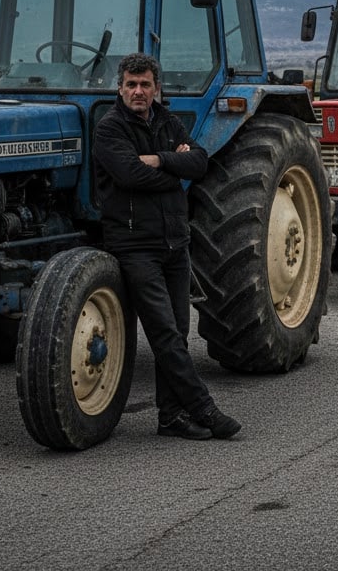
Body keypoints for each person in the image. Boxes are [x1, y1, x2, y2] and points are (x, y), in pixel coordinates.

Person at [94, 53, 242, 441]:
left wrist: (159, 161)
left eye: (145, 85)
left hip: (176, 242)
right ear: (120, 88)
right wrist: (172, 170)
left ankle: (171, 416)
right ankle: (204, 408)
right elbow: (129, 174)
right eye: (131, 84)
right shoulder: (109, 129)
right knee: (163, 332)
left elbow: (200, 163)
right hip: (134, 245)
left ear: (156, 88)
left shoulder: (168, 122)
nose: (139, 91)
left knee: (178, 328)